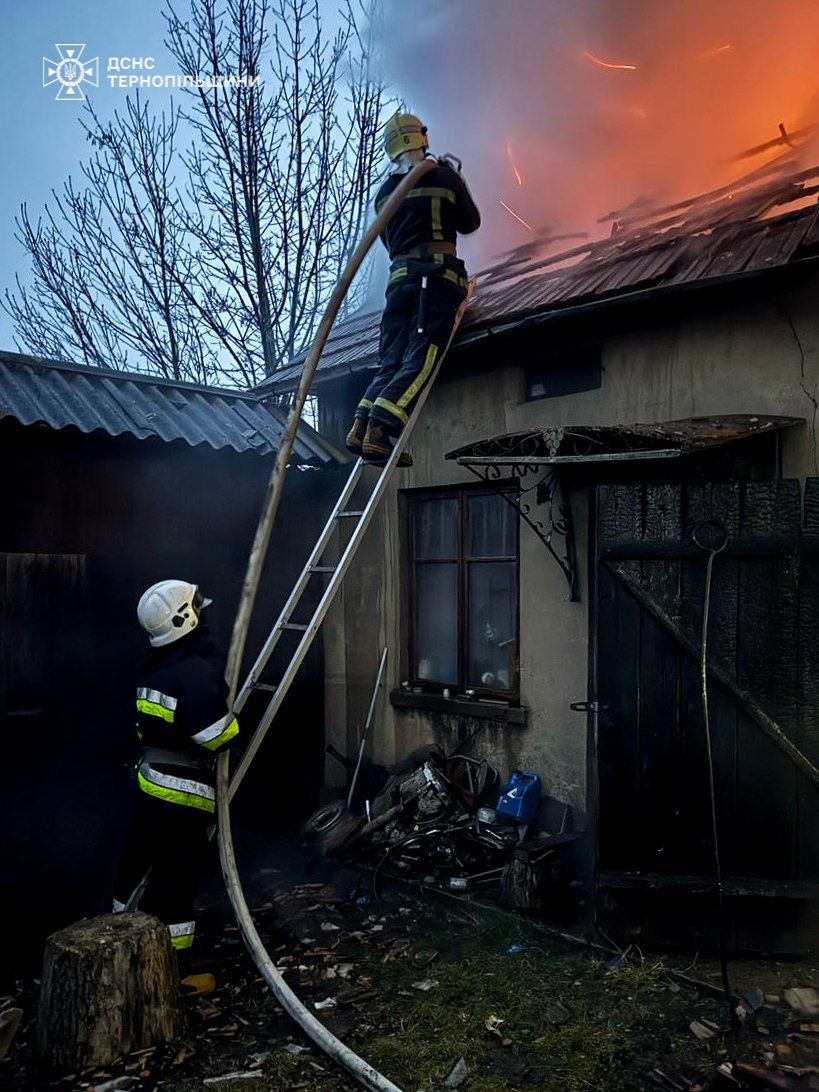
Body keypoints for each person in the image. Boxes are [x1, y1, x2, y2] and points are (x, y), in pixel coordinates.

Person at [113, 579, 239, 996]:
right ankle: (175, 975)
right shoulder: (194, 671)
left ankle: (115, 944)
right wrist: (234, 721)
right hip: (182, 794)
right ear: (184, 619)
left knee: (137, 862)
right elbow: (215, 736)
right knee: (175, 880)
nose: (203, 612)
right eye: (197, 607)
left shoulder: (153, 667)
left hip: (149, 783)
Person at [345, 112, 481, 465]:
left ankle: (360, 425)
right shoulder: (445, 177)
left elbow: (389, 244)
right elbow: (471, 223)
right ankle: (381, 429)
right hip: (433, 281)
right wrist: (458, 180)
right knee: (422, 356)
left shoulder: (384, 195)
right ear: (422, 137)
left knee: (389, 359)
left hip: (399, 283)